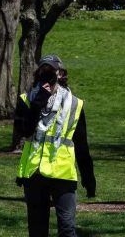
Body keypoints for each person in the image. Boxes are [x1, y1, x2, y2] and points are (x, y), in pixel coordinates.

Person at [15, 55, 95, 237]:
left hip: (63, 174)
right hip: (34, 174)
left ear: (61, 75)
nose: (48, 78)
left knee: (67, 228)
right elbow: (24, 131)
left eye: (52, 73)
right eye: (44, 72)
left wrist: (88, 178)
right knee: (37, 230)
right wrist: (38, 103)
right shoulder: (27, 100)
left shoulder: (74, 104)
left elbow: (82, 145)